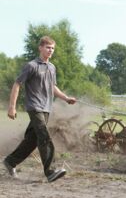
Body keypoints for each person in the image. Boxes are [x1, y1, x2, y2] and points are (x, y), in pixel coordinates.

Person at [3, 36, 77, 182]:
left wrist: (66, 98)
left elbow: (52, 86)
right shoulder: (31, 66)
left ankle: (10, 161)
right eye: (48, 47)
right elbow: (17, 84)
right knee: (44, 135)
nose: (50, 50)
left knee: (31, 140)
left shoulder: (52, 67)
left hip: (46, 108)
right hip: (34, 107)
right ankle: (50, 171)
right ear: (41, 48)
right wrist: (12, 107)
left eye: (53, 48)